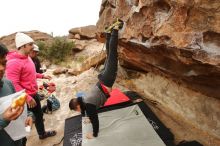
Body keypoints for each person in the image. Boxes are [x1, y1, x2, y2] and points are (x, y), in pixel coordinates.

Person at [69, 20, 124, 139]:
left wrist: (94, 134)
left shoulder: (88, 105)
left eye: (76, 110)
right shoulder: (82, 100)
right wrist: (85, 117)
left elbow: (95, 121)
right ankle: (109, 33)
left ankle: (115, 29)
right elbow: (84, 111)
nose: (78, 112)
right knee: (109, 56)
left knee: (112, 55)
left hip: (107, 79)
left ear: (78, 106)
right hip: (103, 79)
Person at [6, 32, 56, 140]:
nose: (33, 47)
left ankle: (42, 134)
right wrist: (27, 97)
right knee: (23, 122)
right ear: (23, 46)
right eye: (30, 44)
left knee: (38, 116)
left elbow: (31, 73)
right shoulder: (13, 62)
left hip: (33, 94)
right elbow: (13, 84)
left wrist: (42, 76)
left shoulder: (27, 57)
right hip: (22, 99)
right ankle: (23, 141)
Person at [0, 43, 33, 146]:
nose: (1, 68)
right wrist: (3, 120)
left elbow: (18, 105)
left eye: (3, 63)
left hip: (19, 141)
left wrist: (28, 116)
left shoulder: (7, 83)